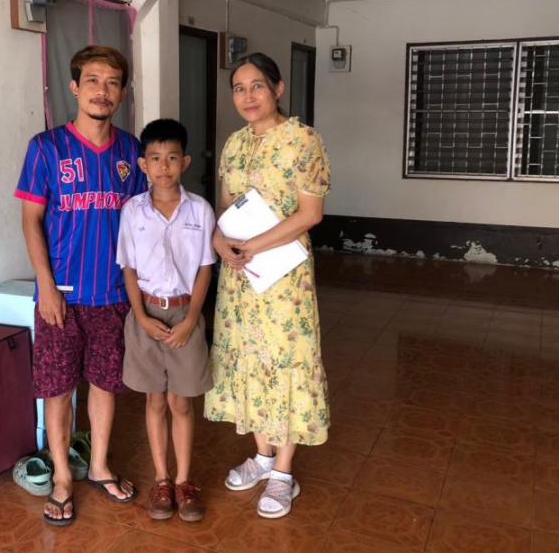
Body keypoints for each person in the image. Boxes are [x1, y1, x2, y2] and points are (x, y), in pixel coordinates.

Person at [16, 45, 146, 526]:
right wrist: (46, 286)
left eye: (112, 83)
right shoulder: (46, 148)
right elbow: (31, 221)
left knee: (105, 384)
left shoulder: (132, 152)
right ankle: (62, 479)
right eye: (92, 80)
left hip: (113, 295)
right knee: (57, 389)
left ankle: (99, 466)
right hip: (61, 298)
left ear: (122, 93)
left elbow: (142, 226)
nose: (102, 91)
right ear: (74, 87)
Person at [204, 52, 331, 519]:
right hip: (240, 276)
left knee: (285, 361)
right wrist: (219, 240)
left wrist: (252, 245)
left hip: (283, 280)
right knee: (247, 357)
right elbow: (225, 206)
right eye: (239, 88)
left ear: (278, 89)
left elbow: (310, 214)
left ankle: (283, 472)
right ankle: (261, 455)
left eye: (257, 85)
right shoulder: (234, 144)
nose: (248, 96)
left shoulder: (303, 140)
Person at [116, 119, 216, 523]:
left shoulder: (200, 210)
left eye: (172, 158)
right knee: (154, 400)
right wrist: (140, 316)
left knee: (181, 401)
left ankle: (184, 481)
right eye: (155, 158)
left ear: (185, 162)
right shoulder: (132, 210)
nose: (163, 166)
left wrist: (192, 319)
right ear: (143, 164)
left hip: (185, 314)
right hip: (146, 314)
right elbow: (128, 268)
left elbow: (206, 268)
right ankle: (162, 479)